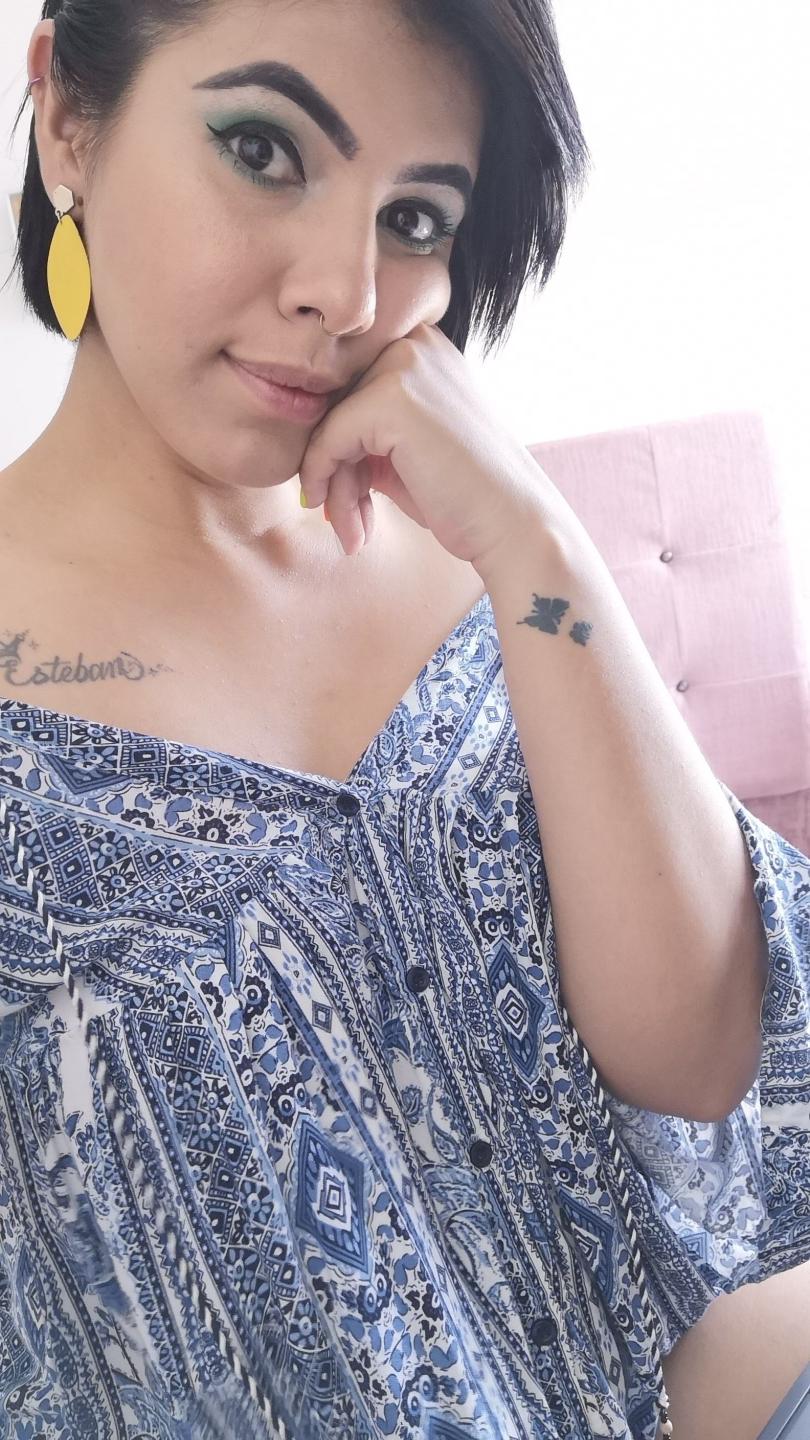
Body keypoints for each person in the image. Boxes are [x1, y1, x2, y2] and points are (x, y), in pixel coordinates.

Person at [0, 1, 808, 1436]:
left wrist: (540, 546)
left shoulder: (469, 546)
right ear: (67, 116)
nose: (349, 292)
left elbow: (695, 1057)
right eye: (263, 149)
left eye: (416, 217)